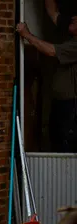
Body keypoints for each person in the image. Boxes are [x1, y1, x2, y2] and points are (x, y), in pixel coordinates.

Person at [17, 2, 77, 153]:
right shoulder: (69, 30)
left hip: (71, 107)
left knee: (66, 146)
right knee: (55, 141)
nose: (73, 18)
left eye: (76, 19)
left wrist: (27, 35)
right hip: (61, 104)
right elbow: (53, 13)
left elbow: (51, 51)